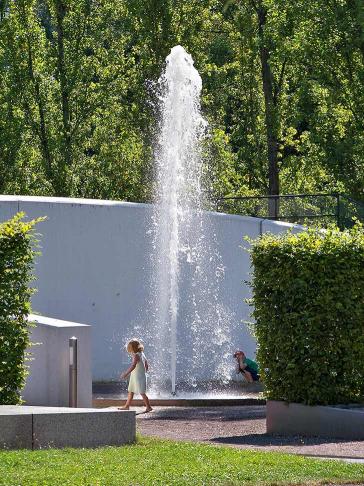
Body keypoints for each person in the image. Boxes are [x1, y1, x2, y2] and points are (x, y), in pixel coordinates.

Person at [118, 338, 152, 412]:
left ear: (133, 348)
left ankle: (148, 407)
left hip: (138, 377)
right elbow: (146, 364)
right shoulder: (142, 354)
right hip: (137, 376)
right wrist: (145, 371)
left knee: (142, 393)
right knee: (131, 391)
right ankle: (127, 406)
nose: (128, 349)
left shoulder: (136, 356)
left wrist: (125, 373)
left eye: (129, 348)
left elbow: (133, 366)